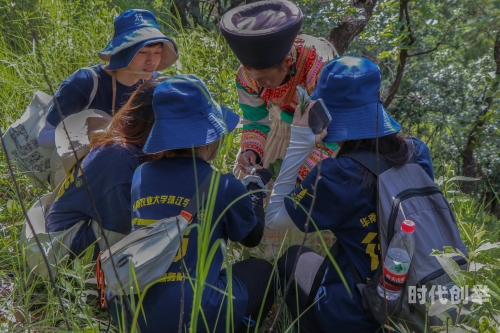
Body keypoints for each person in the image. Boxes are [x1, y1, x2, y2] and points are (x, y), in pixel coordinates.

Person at [265, 56, 435, 332]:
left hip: (354, 317)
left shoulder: (336, 175)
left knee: (292, 258)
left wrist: (298, 145)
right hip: (412, 304)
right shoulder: (417, 152)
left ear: (326, 112)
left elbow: (273, 218)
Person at [107, 75, 275, 333]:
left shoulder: (141, 175)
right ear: (210, 139)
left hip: (130, 310)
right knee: (263, 271)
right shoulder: (224, 185)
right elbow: (252, 238)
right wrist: (254, 189)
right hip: (193, 313)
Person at [45, 76, 166, 259]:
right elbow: (125, 228)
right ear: (153, 122)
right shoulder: (120, 156)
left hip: (80, 229)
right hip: (63, 245)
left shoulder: (130, 146)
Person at [220, 0, 338, 179]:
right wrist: (252, 150)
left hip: (320, 138)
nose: (259, 85)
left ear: (287, 63)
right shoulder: (247, 78)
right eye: (253, 77)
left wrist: (300, 174)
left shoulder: (319, 69)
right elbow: (255, 120)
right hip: (280, 129)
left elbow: (333, 130)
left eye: (265, 78)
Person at [37, 9, 178, 150]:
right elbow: (44, 138)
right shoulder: (85, 83)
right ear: (123, 51)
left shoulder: (154, 86)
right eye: (143, 52)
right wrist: (94, 138)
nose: (152, 61)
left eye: (157, 52)